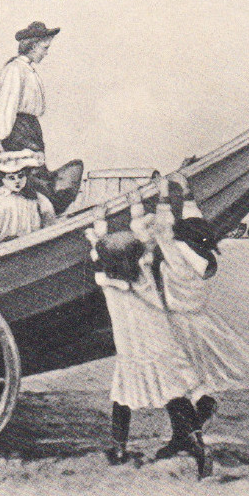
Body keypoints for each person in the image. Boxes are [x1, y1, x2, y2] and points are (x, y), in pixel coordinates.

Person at [85, 186, 211, 479]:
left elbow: (97, 255)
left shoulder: (105, 282)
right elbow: (145, 241)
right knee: (175, 395)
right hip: (160, 347)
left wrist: (98, 224)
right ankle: (198, 446)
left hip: (132, 353)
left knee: (122, 398)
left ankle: (118, 449)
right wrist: (136, 207)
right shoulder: (144, 275)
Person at [147, 172, 249, 460]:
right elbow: (196, 223)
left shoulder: (176, 254)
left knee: (173, 385)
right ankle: (193, 422)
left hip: (176, 324)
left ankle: (189, 438)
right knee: (194, 380)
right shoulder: (205, 257)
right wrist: (186, 193)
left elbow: (162, 230)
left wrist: (163, 193)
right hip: (202, 323)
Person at [0, 21, 83, 215]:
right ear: (32, 46)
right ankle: (41, 212)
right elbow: (6, 106)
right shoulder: (15, 69)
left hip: (30, 127)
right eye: (44, 48)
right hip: (19, 129)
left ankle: (45, 210)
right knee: (30, 174)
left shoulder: (27, 69)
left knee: (36, 171)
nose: (46, 53)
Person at [0, 154, 56, 248]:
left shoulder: (37, 198)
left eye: (21, 176)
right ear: (2, 179)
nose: (17, 181)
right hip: (3, 251)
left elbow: (50, 225)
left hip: (34, 247)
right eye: (11, 178)